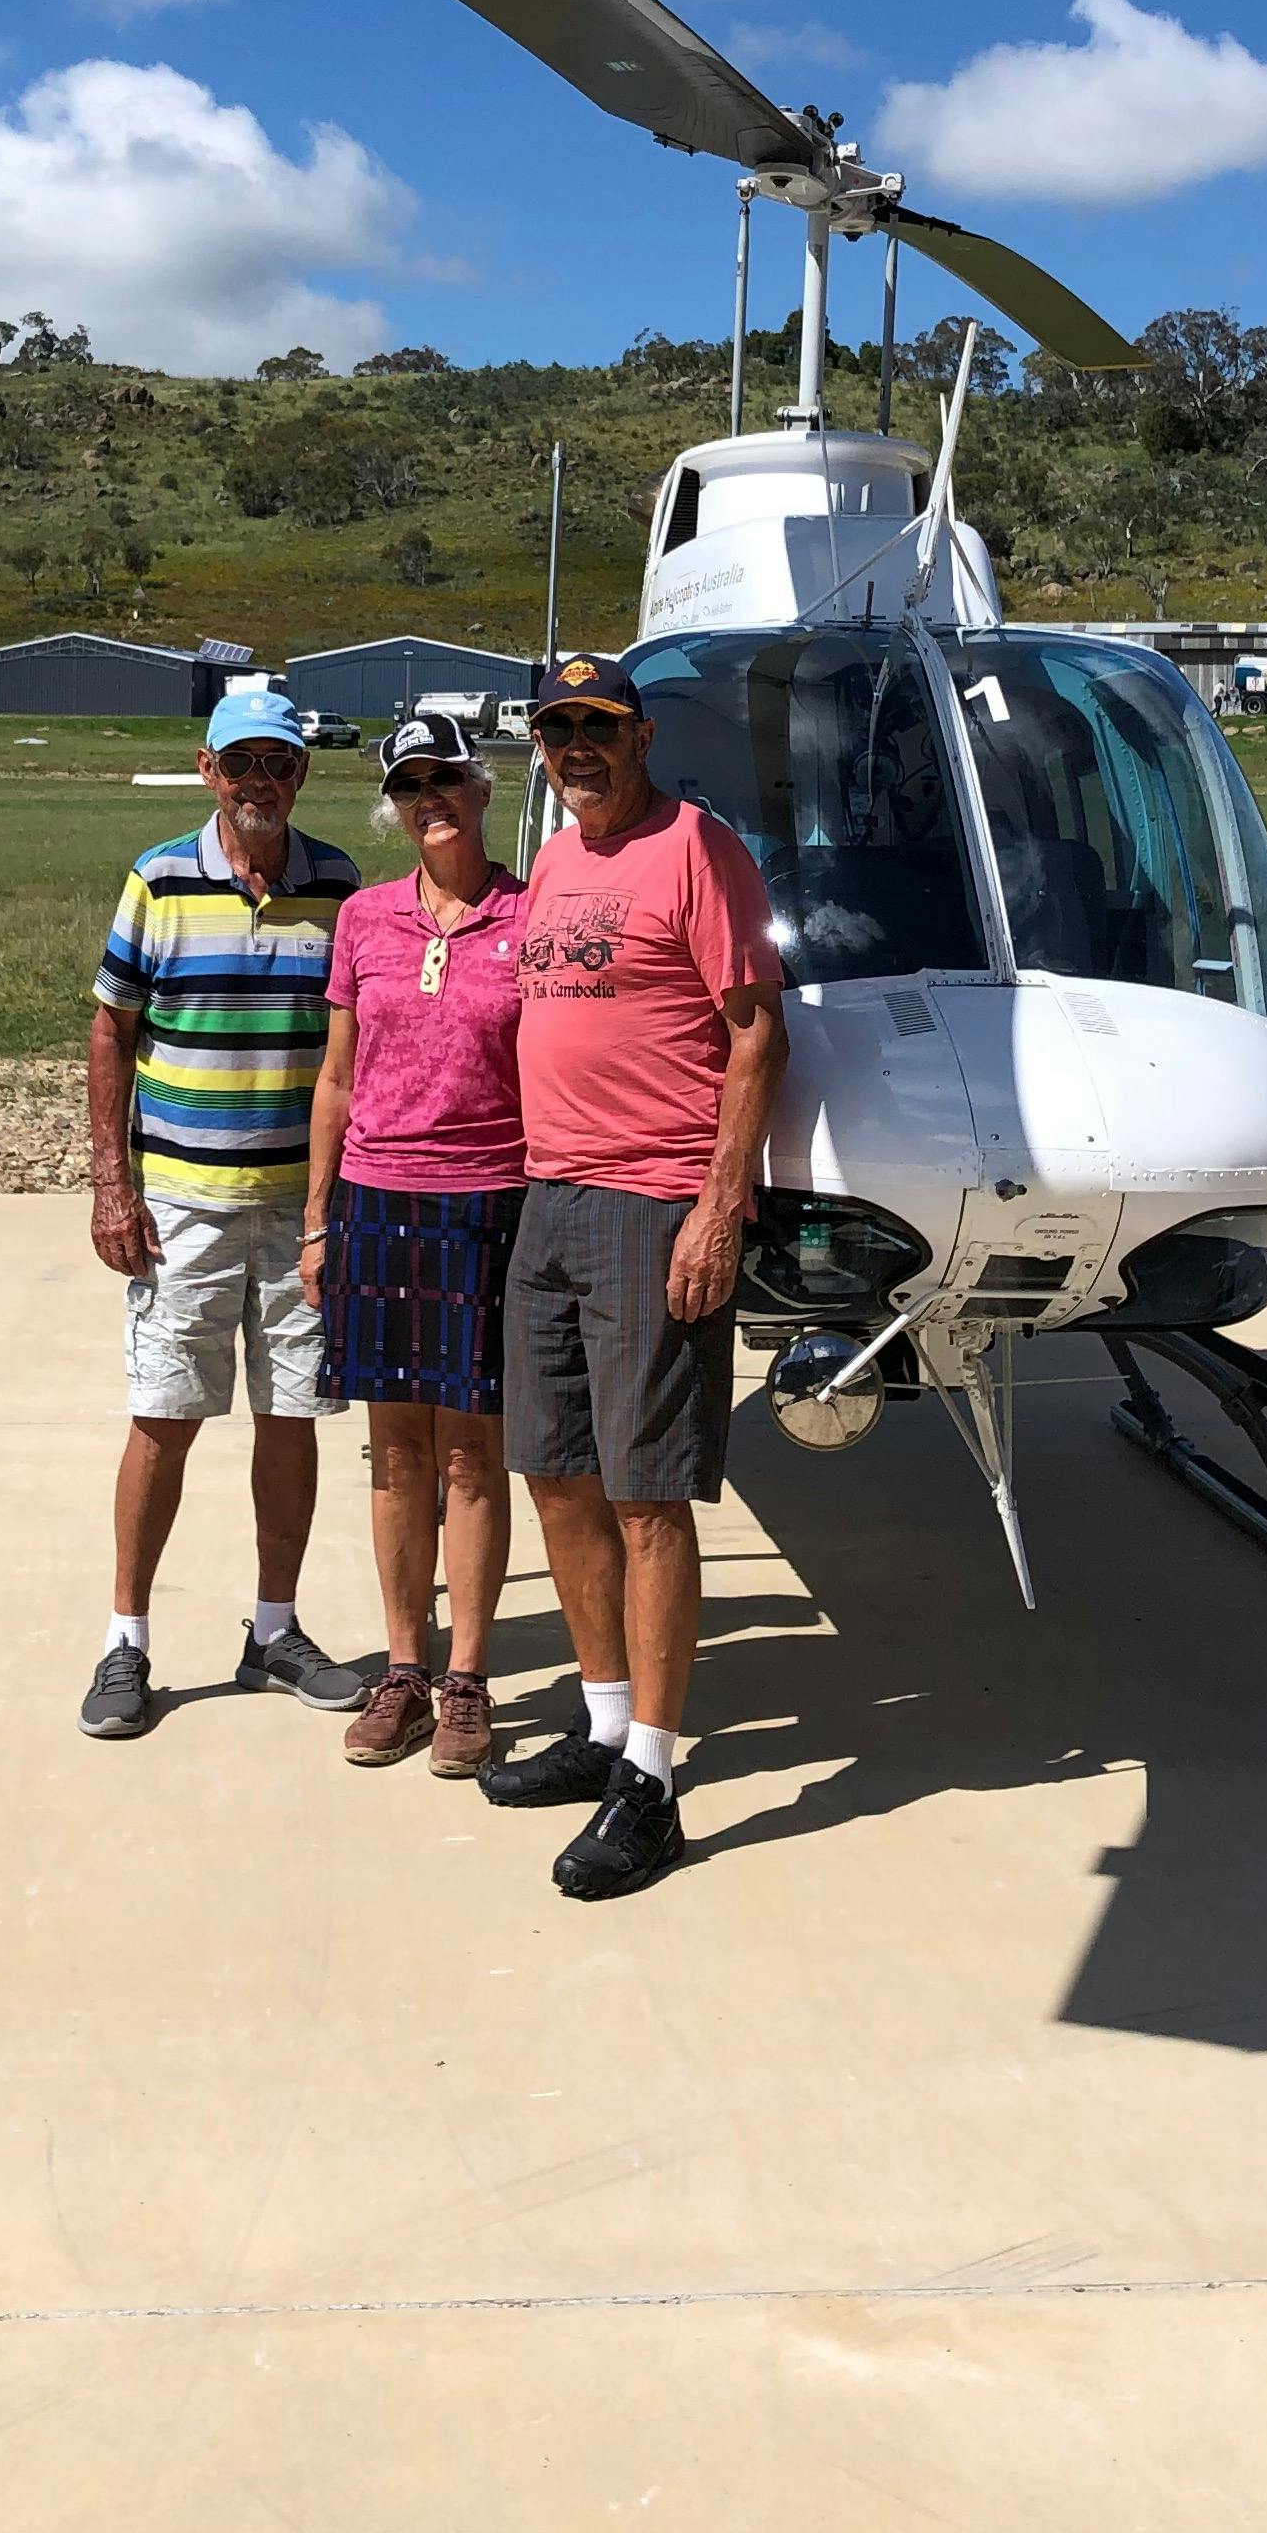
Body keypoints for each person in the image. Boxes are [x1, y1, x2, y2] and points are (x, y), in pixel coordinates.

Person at [484, 649, 786, 1897]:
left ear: (643, 735)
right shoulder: (555, 860)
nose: (576, 751)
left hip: (652, 1202)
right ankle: (604, 1721)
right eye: (557, 733)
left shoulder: (697, 848)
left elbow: (757, 1028)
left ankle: (653, 1779)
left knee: (647, 1492)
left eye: (597, 728)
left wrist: (719, 1208)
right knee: (554, 1471)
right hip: (548, 1198)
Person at [77, 685, 370, 1741]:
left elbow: (358, 1047)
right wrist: (113, 1185)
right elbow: (111, 1030)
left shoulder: (341, 885)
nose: (262, 781)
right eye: (242, 762)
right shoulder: (158, 878)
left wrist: (344, 1208)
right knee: (164, 1418)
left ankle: (275, 1630)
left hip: (302, 1209)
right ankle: (127, 1642)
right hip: (183, 1205)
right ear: (208, 768)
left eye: (281, 764)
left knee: (292, 1419)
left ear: (302, 773)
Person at [299, 711, 527, 1778]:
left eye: (445, 780)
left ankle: (469, 1678)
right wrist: (317, 1219)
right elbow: (337, 1078)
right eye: (408, 787)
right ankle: (404, 1667)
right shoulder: (365, 919)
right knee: (395, 1451)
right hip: (377, 1198)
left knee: (474, 1453)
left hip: (488, 1198)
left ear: (483, 791)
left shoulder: (529, 915)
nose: (428, 800)